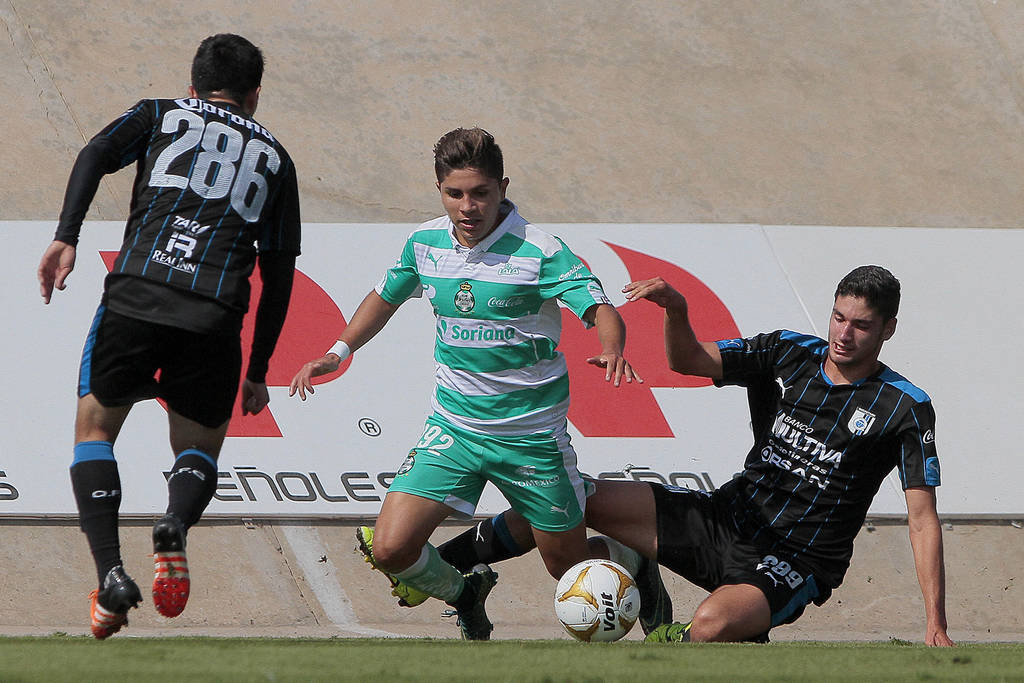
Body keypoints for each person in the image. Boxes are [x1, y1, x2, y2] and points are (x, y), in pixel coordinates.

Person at [404, 266, 955, 646]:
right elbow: (688, 360)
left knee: (709, 629)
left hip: (792, 560)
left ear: (888, 328)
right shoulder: (788, 350)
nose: (844, 334)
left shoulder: (904, 407)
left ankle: (687, 628)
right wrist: (677, 309)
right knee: (563, 497)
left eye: (861, 325)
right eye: (838, 317)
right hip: (723, 517)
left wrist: (935, 622)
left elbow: (922, 519)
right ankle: (434, 569)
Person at [289, 127, 640, 640]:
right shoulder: (425, 243)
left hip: (530, 438)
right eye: (455, 194)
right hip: (454, 429)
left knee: (569, 571)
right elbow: (385, 296)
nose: (468, 206)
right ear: (439, 190)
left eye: (480, 193)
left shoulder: (540, 251)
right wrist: (336, 352)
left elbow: (598, 307)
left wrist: (611, 347)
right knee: (389, 548)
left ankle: (632, 562)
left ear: (502, 187)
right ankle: (465, 593)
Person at [37, 34, 301, 640]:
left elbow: (94, 153)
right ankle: (176, 523)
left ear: (194, 83)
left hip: (137, 294)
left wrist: (67, 235)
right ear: (255, 95)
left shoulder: (160, 112)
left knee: (96, 429)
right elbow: (279, 274)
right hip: (213, 315)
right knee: (198, 450)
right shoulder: (277, 160)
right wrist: (258, 369)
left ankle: (110, 575)